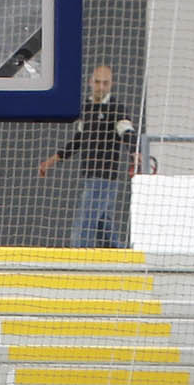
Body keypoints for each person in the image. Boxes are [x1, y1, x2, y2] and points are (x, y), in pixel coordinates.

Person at [37, 62, 140, 248]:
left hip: (105, 178)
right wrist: (51, 161)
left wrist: (134, 152)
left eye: (105, 83)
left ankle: (78, 257)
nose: (101, 87)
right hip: (89, 174)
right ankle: (119, 254)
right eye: (97, 82)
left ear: (111, 84)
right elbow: (78, 140)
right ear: (90, 82)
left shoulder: (117, 109)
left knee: (84, 223)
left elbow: (127, 132)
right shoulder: (86, 107)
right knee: (102, 223)